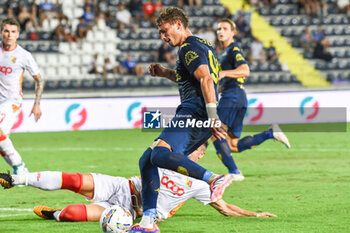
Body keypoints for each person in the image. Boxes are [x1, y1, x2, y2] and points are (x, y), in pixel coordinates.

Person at [133, 7, 232, 233]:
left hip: (196, 110)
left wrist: (213, 117)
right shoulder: (201, 45)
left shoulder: (189, 46)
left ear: (178, 24)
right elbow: (189, 76)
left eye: (164, 31)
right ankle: (148, 223)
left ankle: (213, 178)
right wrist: (165, 72)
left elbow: (206, 79)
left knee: (159, 154)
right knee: (147, 160)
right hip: (199, 111)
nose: (163, 37)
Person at [0, 143, 276, 223]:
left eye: (194, 149)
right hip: (122, 187)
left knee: (71, 214)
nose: (187, 151)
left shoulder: (202, 184)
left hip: (128, 213)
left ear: (201, 154)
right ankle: (15, 178)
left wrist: (255, 214)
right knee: (73, 180)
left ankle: (55, 215)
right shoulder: (165, 154)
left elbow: (226, 208)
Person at [214, 18, 290, 179]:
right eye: (219, 29)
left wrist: (224, 74)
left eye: (225, 28)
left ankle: (234, 172)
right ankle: (270, 134)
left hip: (232, 96)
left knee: (215, 133)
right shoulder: (225, 53)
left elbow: (245, 70)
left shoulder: (233, 49)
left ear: (233, 32)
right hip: (238, 96)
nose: (220, 31)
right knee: (233, 145)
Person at [0, 18, 44, 175]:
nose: (9, 35)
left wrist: (37, 103)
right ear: (1, 32)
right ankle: (20, 167)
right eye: (6, 31)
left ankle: (19, 167)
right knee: (1, 141)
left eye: (13, 32)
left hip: (11, 102)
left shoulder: (24, 55)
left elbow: (39, 80)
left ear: (17, 34)